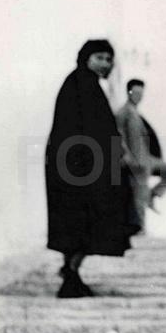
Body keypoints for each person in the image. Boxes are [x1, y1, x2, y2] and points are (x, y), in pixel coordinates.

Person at [45, 39, 140, 298]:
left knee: (80, 223)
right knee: (85, 221)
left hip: (78, 165)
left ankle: (71, 273)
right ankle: (70, 276)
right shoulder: (83, 83)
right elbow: (96, 128)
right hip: (80, 168)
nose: (105, 64)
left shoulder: (81, 82)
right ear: (86, 58)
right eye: (99, 58)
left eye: (109, 59)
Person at [115, 78, 166, 229]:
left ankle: (154, 195)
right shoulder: (123, 112)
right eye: (135, 92)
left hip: (148, 159)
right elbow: (118, 136)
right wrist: (126, 157)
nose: (139, 96)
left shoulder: (137, 114)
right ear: (129, 92)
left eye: (141, 93)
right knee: (139, 196)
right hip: (137, 162)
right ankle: (140, 230)